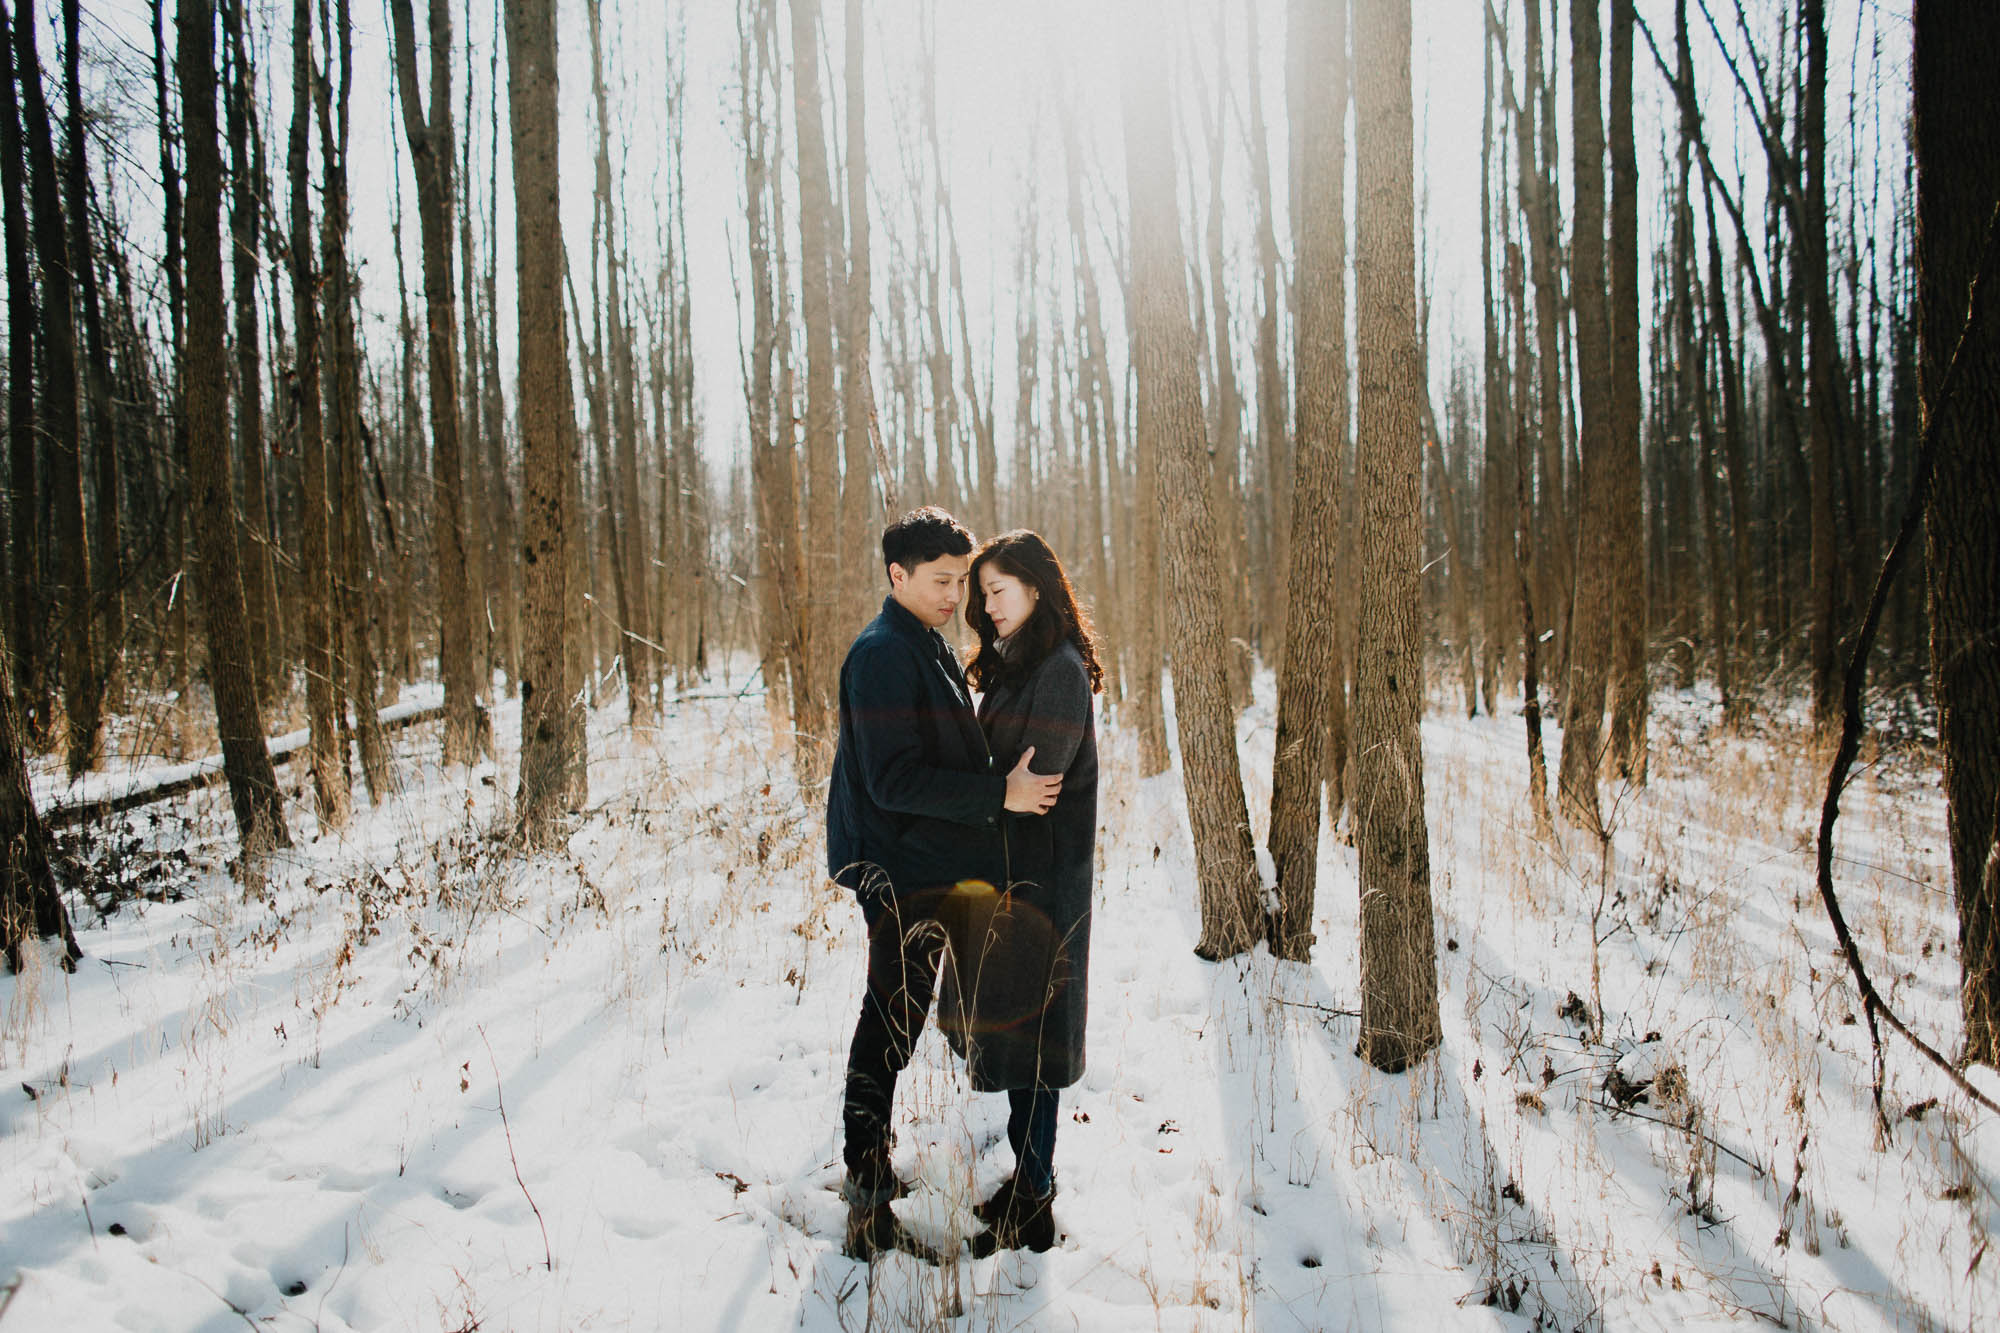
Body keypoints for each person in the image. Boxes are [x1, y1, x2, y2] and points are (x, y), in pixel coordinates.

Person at [825, 506, 1063, 1261]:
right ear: (897, 576)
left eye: (962, 580)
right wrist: (1001, 795)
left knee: (903, 1018)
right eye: (940, 580)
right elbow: (893, 778)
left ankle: (883, 1174)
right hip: (897, 871)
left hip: (929, 865)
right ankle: (867, 1193)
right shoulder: (880, 654)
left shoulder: (922, 640)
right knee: (890, 1022)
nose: (955, 595)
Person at [945, 529, 1101, 1255]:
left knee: (1036, 1048)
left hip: (1041, 887)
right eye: (982, 595)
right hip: (1006, 882)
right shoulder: (1013, 668)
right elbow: (999, 781)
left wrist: (983, 792)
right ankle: (1025, 1174)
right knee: (1014, 1042)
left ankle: (1035, 1200)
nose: (987, 606)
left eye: (998, 591)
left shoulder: (1060, 672)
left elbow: (1032, 790)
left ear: (1036, 588)